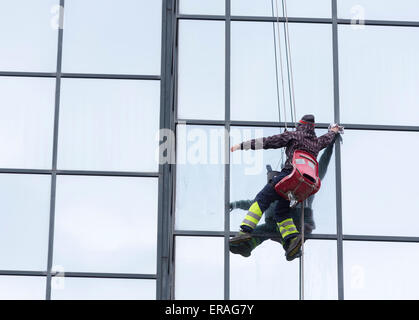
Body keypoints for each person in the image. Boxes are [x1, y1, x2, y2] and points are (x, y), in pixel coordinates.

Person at [229, 114, 340, 261]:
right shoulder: (317, 142)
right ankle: (291, 239)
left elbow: (268, 142)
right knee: (281, 212)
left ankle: (244, 232)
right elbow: (328, 139)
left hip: (289, 176)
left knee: (261, 199)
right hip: (300, 186)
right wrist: (334, 131)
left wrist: (241, 146)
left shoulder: (293, 135)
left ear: (299, 126)